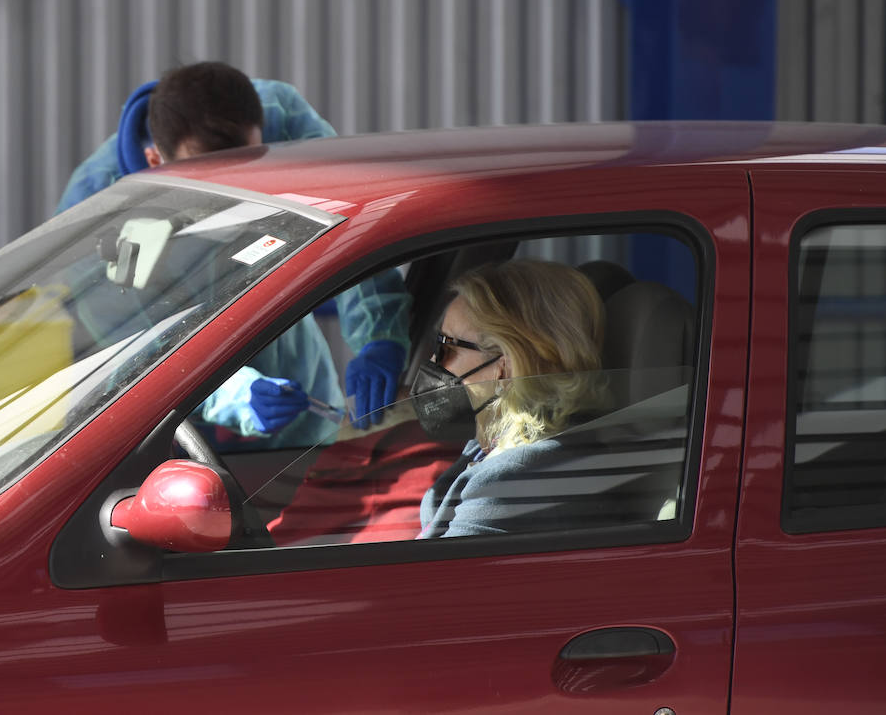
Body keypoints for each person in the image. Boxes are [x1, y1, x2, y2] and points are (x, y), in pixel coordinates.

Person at [57, 61, 412, 435]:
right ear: (155, 162)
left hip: (297, 373)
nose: (240, 196)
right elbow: (134, 352)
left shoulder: (281, 118)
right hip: (178, 422)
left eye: (249, 167)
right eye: (217, 182)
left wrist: (379, 334)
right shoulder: (96, 211)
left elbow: (353, 221)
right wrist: (229, 394)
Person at [413, 260, 606, 539]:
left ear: (505, 368)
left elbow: (432, 579)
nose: (433, 361)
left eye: (447, 347)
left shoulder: (515, 478)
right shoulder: (490, 445)